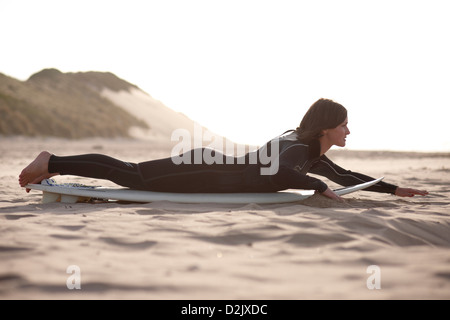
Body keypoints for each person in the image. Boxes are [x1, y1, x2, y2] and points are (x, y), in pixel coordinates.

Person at [19, 98, 428, 201]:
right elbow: (278, 172)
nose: (348, 131)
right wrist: (316, 188)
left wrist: (392, 190)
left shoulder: (308, 150)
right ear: (326, 127)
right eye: (343, 125)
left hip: (211, 168)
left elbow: (345, 177)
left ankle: (54, 165)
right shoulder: (298, 149)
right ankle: (51, 161)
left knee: (130, 173)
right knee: (131, 173)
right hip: (206, 171)